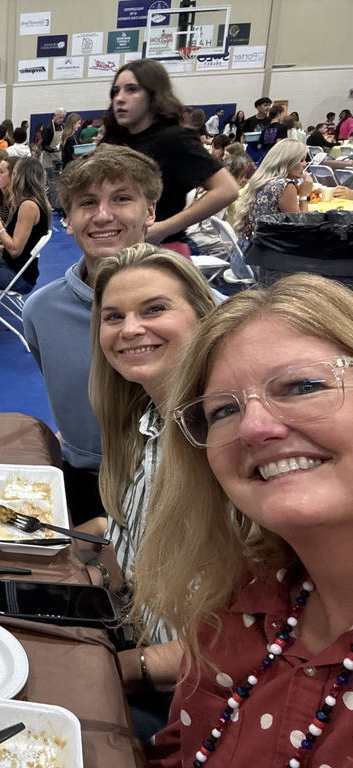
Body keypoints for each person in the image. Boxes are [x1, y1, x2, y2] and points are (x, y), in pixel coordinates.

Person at [135, 273, 353, 766]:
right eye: (222, 411)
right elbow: (179, 750)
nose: (254, 427)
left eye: (302, 385)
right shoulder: (243, 597)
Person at [86, 244, 217, 737]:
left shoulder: (226, 446)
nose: (131, 329)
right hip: (133, 631)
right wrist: (42, 543)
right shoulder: (147, 419)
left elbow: (237, 645)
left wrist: (118, 670)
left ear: (204, 316)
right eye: (114, 316)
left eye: (155, 309)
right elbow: (130, 534)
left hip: (191, 701)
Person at [22, 144, 162, 525]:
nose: (102, 216)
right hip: (83, 479)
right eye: (87, 203)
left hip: (174, 483)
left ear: (150, 210)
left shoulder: (202, 309)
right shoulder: (42, 312)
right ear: (67, 220)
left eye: (121, 199)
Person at [102, 59, 238, 253]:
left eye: (131, 89)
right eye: (116, 91)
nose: (119, 98)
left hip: (159, 251)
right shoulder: (115, 139)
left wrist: (163, 228)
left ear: (153, 95)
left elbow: (227, 189)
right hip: (118, 247)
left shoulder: (173, 139)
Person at [0, 157, 49, 289]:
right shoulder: (30, 202)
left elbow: (15, 250)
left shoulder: (28, 206)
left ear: (19, 177)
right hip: (13, 267)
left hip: (17, 275)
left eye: (13, 174)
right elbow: (22, 248)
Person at [230, 139, 313, 239]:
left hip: (253, 244)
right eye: (301, 160)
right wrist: (305, 194)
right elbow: (302, 228)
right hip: (271, 249)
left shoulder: (262, 180)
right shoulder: (284, 186)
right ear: (287, 161)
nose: (305, 164)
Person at [39, 108, 66, 177]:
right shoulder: (49, 128)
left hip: (58, 157)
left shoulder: (63, 126)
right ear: (55, 116)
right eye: (60, 117)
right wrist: (52, 150)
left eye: (63, 118)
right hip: (49, 159)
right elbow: (43, 145)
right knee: (50, 179)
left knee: (58, 179)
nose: (61, 120)